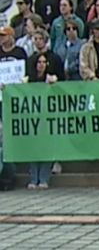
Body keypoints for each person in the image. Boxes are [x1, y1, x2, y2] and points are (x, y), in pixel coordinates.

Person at [24, 53, 59, 189]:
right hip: (33, 120)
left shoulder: (51, 78)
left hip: (47, 119)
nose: (42, 64)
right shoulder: (27, 80)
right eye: (39, 62)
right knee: (33, 149)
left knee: (46, 149)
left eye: (44, 62)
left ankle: (44, 178)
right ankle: (34, 179)